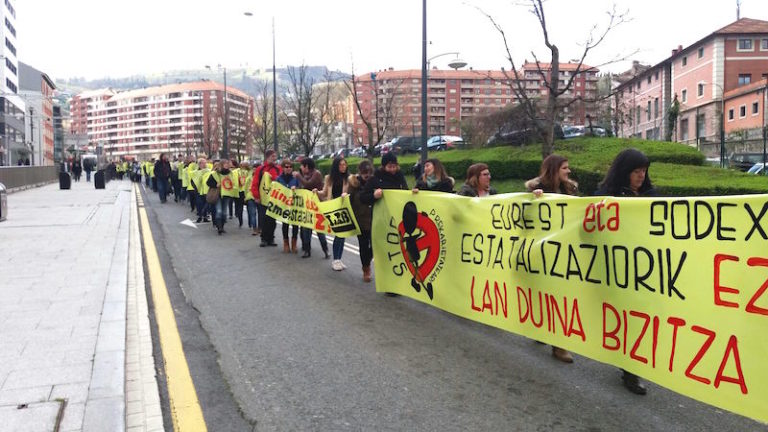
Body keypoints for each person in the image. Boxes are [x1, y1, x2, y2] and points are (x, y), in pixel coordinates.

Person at [595, 148, 656, 396]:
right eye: (636, 171)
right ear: (624, 172)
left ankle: (631, 367)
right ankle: (628, 366)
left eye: (644, 171)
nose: (641, 176)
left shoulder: (652, 196)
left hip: (644, 270)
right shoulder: (604, 196)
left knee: (639, 318)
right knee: (623, 319)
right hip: (615, 269)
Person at [526, 154, 579, 364]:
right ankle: (542, 328)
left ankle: (559, 345)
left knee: (560, 298)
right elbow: (524, 218)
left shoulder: (571, 190)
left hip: (564, 251)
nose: (569, 171)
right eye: (565, 168)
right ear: (554, 169)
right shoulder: (534, 189)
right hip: (541, 252)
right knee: (543, 296)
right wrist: (533, 201)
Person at [361, 152, 409, 295]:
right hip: (381, 222)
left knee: (398, 252)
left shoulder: (400, 177)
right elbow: (363, 197)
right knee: (383, 252)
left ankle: (395, 284)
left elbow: (405, 192)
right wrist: (374, 196)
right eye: (390, 166)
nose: (393, 169)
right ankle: (379, 275)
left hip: (397, 221)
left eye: (395, 166)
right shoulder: (375, 179)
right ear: (383, 166)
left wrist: (412, 193)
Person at [316, 157, 350, 271]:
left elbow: (353, 192)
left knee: (342, 235)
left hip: (344, 209)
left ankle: (339, 259)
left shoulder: (349, 179)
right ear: (336, 166)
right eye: (341, 165)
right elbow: (325, 193)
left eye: (344, 165)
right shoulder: (329, 179)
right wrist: (317, 193)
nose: (343, 167)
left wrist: (347, 195)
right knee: (339, 235)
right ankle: (336, 259)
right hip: (333, 209)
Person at [293, 158, 328, 258]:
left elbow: (308, 184)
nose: (300, 168)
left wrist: (298, 176)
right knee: (306, 228)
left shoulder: (316, 174)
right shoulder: (306, 175)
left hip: (316, 205)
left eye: (302, 166)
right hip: (307, 206)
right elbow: (304, 188)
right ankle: (307, 250)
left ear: (306, 166)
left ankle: (325, 249)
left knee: (319, 228)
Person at [348, 160, 374, 282]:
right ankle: (366, 269)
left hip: (375, 220)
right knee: (363, 246)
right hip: (360, 220)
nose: (366, 175)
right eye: (364, 172)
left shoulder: (375, 183)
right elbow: (349, 200)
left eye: (369, 172)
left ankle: (367, 261)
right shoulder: (354, 184)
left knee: (374, 246)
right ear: (360, 172)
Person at [251, 150, 281, 247]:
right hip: (263, 199)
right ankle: (264, 238)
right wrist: (256, 196)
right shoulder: (261, 169)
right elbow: (255, 184)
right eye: (273, 156)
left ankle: (271, 238)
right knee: (264, 219)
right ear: (268, 157)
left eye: (275, 156)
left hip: (274, 199)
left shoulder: (277, 169)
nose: (275, 158)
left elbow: (281, 182)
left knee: (272, 220)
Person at [276, 159, 300, 253]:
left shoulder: (295, 178)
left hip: (294, 205)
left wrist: (296, 188)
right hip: (284, 206)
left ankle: (294, 243)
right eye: (286, 167)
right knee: (285, 224)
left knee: (295, 225)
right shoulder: (279, 179)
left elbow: (301, 189)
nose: (289, 168)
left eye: (290, 167)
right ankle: (286, 243)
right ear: (283, 168)